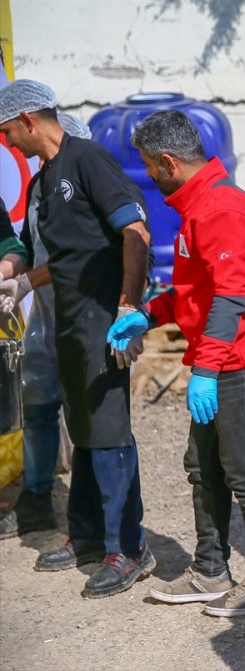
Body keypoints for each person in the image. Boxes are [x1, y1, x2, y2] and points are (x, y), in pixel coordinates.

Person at [108, 109, 245, 617]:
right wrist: (147, 313)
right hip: (224, 359)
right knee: (203, 468)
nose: (148, 176)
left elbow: (232, 299)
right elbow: (196, 293)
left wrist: (206, 369)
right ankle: (210, 570)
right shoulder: (200, 206)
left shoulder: (219, 209)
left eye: (149, 167)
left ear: (169, 162)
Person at [0, 79, 155, 598]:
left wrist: (130, 308)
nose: (9, 145)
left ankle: (129, 548)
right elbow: (48, 253)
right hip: (66, 321)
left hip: (102, 321)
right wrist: (17, 276)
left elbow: (135, 231)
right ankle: (88, 535)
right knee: (84, 426)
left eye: (8, 133)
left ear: (27, 120)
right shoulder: (44, 183)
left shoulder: (86, 158)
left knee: (109, 433)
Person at [0, 113, 89, 540]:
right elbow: (25, 246)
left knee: (90, 418)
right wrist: (13, 276)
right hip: (45, 317)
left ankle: (91, 519)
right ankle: (35, 499)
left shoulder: (90, 184)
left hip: (83, 315)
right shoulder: (37, 190)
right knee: (37, 406)